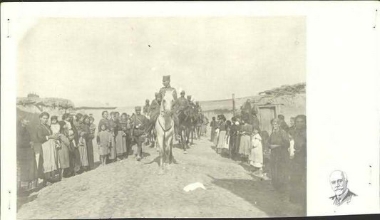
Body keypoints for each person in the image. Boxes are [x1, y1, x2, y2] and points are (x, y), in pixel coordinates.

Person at [36, 112, 59, 185]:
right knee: (46, 161)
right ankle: (46, 179)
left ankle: (51, 178)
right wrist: (50, 137)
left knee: (51, 160)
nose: (45, 120)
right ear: (40, 118)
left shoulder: (48, 126)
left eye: (47, 118)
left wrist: (54, 136)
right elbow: (40, 138)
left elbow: (51, 134)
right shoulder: (39, 127)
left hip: (50, 145)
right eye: (44, 118)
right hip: (44, 146)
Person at [268, 118, 290, 192]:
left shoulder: (283, 132)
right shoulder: (273, 133)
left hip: (282, 154)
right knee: (274, 170)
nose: (274, 125)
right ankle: (276, 186)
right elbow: (268, 142)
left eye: (276, 124)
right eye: (273, 124)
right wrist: (269, 146)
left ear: (279, 125)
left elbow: (287, 143)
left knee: (281, 170)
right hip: (274, 154)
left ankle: (282, 187)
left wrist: (276, 146)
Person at [289, 115, 307, 206]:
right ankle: (296, 198)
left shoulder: (306, 133)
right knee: (295, 178)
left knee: (303, 179)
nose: (299, 123)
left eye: (302, 121)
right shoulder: (295, 132)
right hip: (296, 158)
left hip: (304, 158)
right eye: (297, 122)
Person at [17, 117, 37, 192]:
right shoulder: (19, 129)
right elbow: (18, 142)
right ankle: (22, 188)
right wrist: (29, 143)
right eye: (26, 120)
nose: (28, 121)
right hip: (22, 152)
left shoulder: (25, 129)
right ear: (22, 121)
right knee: (24, 169)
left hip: (27, 151)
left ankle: (27, 187)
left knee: (28, 168)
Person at [158, 75, 180, 140]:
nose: (163, 83)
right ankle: (153, 133)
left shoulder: (173, 90)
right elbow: (158, 99)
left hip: (170, 109)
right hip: (162, 109)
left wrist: (171, 107)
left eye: (164, 81)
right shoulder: (161, 90)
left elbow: (175, 100)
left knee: (176, 120)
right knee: (153, 118)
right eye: (163, 81)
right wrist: (159, 99)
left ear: (169, 81)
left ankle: (176, 134)